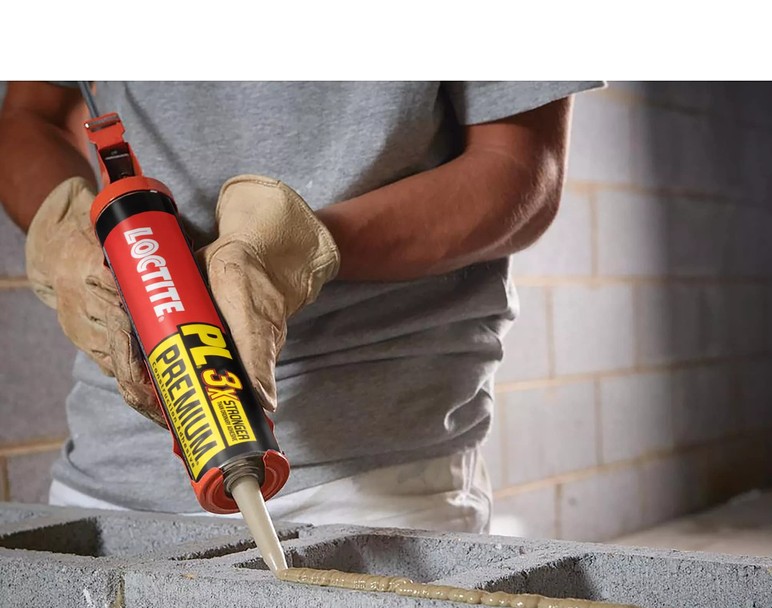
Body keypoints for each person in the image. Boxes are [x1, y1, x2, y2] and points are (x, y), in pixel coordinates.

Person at [0, 80, 601, 533]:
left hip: (370, 488)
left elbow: (522, 170)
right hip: (108, 482)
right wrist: (62, 227)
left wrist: (307, 245)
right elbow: (28, 115)